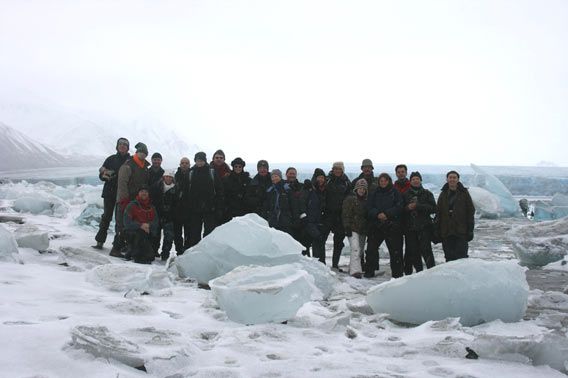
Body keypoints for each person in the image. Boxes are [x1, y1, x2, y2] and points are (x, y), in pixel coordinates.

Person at [110, 142, 150, 258]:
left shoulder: (144, 167)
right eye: (140, 152)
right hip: (125, 201)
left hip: (135, 202)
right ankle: (115, 248)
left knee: (130, 226)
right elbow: (122, 183)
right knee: (121, 225)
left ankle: (126, 247)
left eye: (144, 153)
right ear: (136, 153)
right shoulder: (128, 165)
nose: (142, 154)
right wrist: (123, 199)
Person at [93, 137, 130, 250]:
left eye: (125, 144)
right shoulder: (110, 159)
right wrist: (104, 176)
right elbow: (102, 174)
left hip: (123, 194)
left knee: (121, 220)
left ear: (128, 147)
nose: (122, 146)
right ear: (117, 146)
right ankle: (100, 241)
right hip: (109, 192)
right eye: (121, 144)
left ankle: (118, 244)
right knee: (106, 217)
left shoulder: (131, 160)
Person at [366, 173, 404, 278]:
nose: (383, 183)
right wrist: (378, 214)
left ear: (389, 181)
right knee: (371, 249)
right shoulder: (374, 193)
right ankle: (369, 272)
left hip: (392, 225)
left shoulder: (395, 192)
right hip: (377, 225)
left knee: (395, 251)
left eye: (385, 181)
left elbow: (399, 206)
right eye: (381, 181)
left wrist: (387, 214)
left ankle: (397, 275)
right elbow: (369, 207)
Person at [436, 170, 475, 262]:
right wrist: (437, 230)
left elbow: (470, 211)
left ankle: (462, 276)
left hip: (461, 231)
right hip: (447, 231)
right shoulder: (443, 194)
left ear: (458, 180)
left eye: (454, 177)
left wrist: (470, 230)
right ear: (447, 179)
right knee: (449, 257)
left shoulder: (464, 193)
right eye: (450, 177)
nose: (452, 179)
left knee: (461, 257)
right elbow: (438, 213)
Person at [402, 171, 437, 274]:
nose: (415, 181)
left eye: (417, 179)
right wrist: (407, 208)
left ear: (421, 180)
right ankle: (419, 273)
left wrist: (418, 206)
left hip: (424, 227)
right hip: (410, 228)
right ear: (410, 181)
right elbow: (401, 211)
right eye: (413, 179)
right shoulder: (405, 194)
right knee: (414, 252)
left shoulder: (427, 193)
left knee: (427, 251)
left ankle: (432, 272)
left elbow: (434, 209)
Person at [187, 151, 224, 247]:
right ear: (195, 161)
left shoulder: (211, 172)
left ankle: (207, 252)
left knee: (209, 233)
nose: (200, 162)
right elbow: (187, 191)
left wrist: (218, 206)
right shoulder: (191, 172)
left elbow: (219, 190)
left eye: (201, 160)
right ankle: (194, 253)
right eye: (198, 160)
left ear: (205, 161)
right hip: (194, 208)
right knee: (194, 234)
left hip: (210, 208)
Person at [322, 161, 351, 271]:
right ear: (332, 170)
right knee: (321, 240)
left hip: (340, 216)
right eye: (335, 169)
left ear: (342, 170)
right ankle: (321, 264)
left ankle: (335, 265)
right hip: (328, 215)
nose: (337, 171)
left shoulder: (346, 182)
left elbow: (350, 198)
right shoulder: (327, 180)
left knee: (338, 242)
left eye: (339, 169)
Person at [123, 186, 159, 264]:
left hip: (147, 233)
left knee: (151, 257)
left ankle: (132, 252)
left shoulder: (152, 207)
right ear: (138, 193)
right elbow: (127, 222)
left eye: (146, 192)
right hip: (132, 233)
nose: (144, 193)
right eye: (142, 191)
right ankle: (136, 255)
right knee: (140, 234)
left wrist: (148, 225)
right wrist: (140, 225)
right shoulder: (132, 205)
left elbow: (156, 222)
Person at [342, 178, 368, 278]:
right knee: (355, 248)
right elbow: (345, 214)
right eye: (360, 188)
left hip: (363, 229)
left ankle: (352, 268)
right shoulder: (350, 199)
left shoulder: (366, 201)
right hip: (352, 228)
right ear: (356, 189)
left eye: (364, 189)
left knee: (360, 250)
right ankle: (355, 271)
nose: (361, 190)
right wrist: (347, 226)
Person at [150, 170, 177, 260]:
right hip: (157, 215)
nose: (168, 178)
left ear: (172, 178)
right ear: (163, 177)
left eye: (170, 177)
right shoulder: (156, 186)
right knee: (155, 235)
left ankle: (165, 254)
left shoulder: (176, 189)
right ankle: (153, 252)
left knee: (169, 236)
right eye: (166, 176)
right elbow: (152, 200)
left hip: (170, 216)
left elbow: (178, 204)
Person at [262, 169, 299, 234]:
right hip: (273, 220)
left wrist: (296, 219)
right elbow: (266, 205)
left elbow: (294, 205)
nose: (274, 178)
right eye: (272, 177)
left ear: (280, 177)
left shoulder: (287, 188)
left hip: (286, 221)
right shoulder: (270, 190)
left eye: (276, 176)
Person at [305, 169, 327, 263]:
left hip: (323, 220)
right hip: (312, 221)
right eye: (319, 177)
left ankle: (322, 264)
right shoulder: (310, 189)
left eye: (322, 177)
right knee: (314, 241)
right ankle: (315, 264)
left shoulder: (326, 190)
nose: (320, 179)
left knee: (321, 243)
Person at [222, 157, 251, 222]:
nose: (238, 168)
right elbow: (223, 194)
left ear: (242, 167)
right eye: (236, 166)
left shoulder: (248, 180)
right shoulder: (226, 179)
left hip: (244, 211)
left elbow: (250, 194)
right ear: (233, 167)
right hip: (229, 211)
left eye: (240, 166)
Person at [173, 157, 192, 254]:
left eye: (186, 163)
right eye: (182, 163)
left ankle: (187, 250)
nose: (184, 165)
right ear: (180, 164)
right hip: (177, 209)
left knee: (188, 232)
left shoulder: (192, 175)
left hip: (189, 209)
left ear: (189, 165)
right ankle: (179, 250)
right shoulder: (175, 176)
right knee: (177, 233)